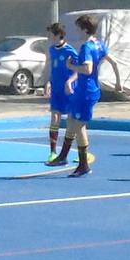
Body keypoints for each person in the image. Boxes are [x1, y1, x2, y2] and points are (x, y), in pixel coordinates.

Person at [51, 15, 105, 177]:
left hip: (87, 91)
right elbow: (112, 61)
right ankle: (63, 156)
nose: (77, 31)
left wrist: (71, 66)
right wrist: (117, 81)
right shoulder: (99, 44)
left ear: (85, 29)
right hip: (84, 89)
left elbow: (87, 69)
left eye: (78, 28)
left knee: (78, 125)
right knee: (72, 121)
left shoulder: (86, 47)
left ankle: (83, 164)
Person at [43, 22, 77, 166]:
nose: (48, 36)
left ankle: (78, 150)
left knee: (72, 122)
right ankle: (53, 152)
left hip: (68, 91)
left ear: (58, 35)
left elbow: (80, 70)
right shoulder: (51, 50)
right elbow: (51, 68)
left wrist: (70, 81)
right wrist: (48, 82)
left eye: (50, 34)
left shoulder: (70, 51)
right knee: (55, 118)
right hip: (56, 90)